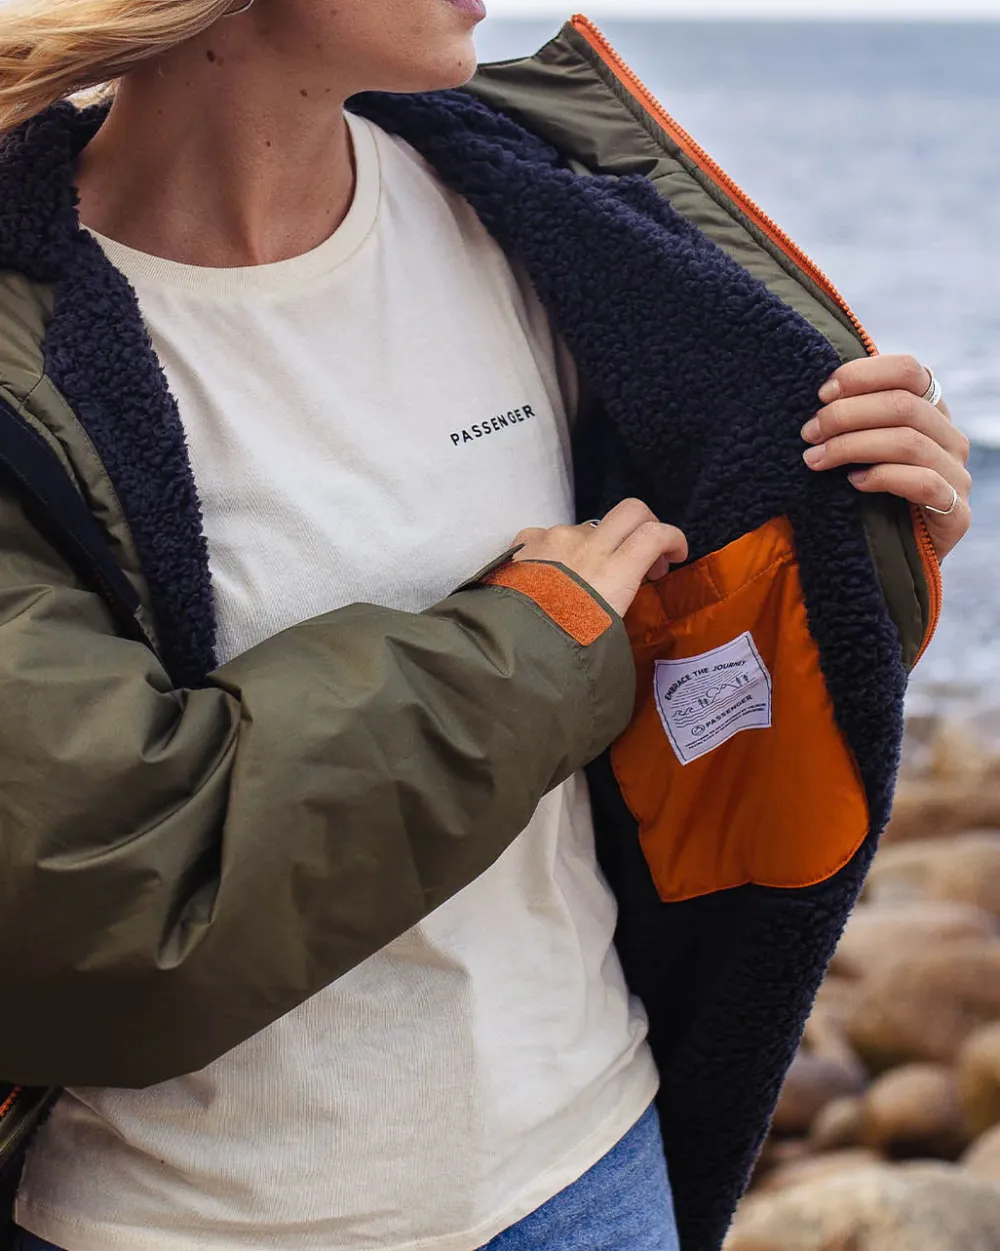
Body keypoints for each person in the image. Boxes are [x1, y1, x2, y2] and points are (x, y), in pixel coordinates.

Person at [0, 1, 972, 1250]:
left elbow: (675, 668)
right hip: (176, 1218)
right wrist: (535, 645)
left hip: (591, 1168)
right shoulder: (27, 349)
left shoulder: (540, 209)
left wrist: (850, 556)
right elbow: (97, 886)